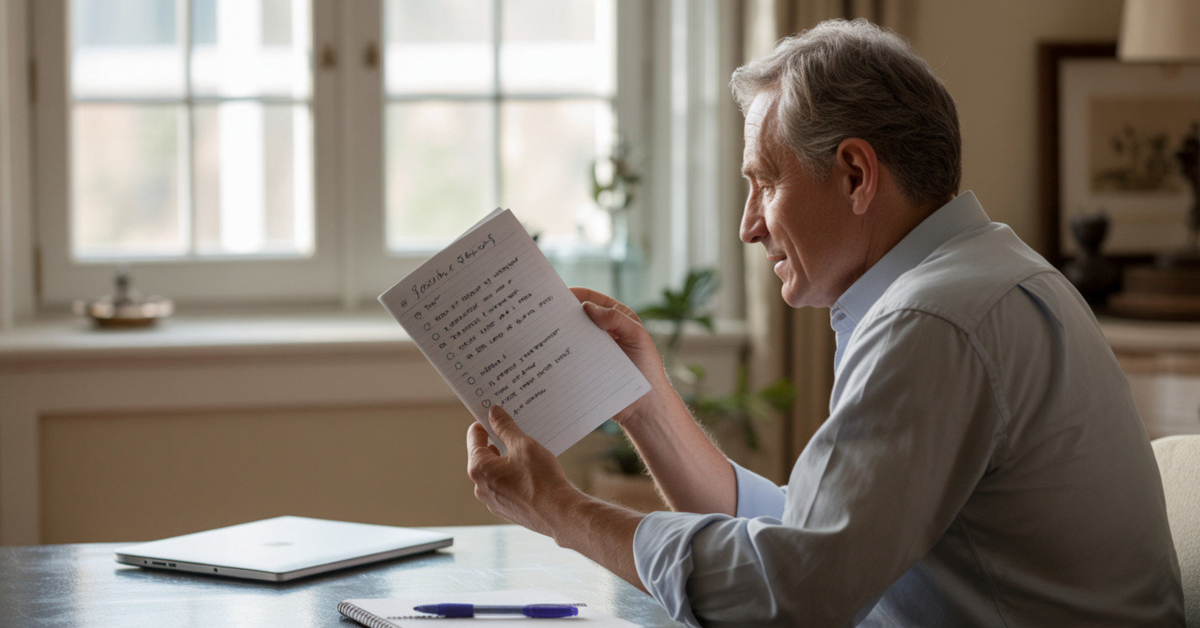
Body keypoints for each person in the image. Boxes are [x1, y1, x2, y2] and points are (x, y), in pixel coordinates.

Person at [465, 18, 1185, 627]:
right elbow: (820, 538)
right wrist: (647, 405)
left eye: (764, 182)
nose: (749, 226)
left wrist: (559, 509)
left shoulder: (934, 320)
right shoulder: (979, 280)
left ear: (855, 175)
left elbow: (793, 590)